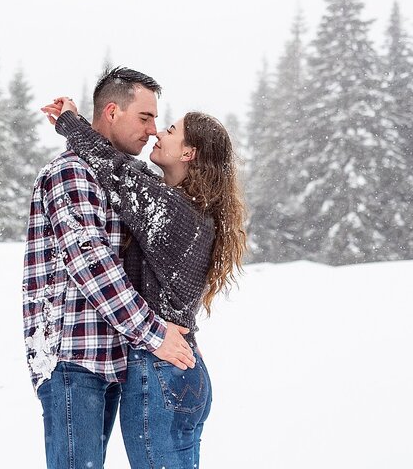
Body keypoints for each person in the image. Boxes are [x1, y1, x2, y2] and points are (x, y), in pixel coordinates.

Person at [40, 91, 248, 469]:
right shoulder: (183, 207)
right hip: (178, 372)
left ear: (189, 154)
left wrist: (71, 124)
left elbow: (118, 172)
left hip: (161, 373)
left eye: (169, 129)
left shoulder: (173, 210)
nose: (157, 134)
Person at [22, 67, 195, 469]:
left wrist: (74, 124)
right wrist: (155, 334)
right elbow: (91, 262)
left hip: (113, 355)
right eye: (145, 117)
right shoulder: (71, 173)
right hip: (73, 357)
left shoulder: (114, 176)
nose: (153, 130)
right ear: (113, 112)